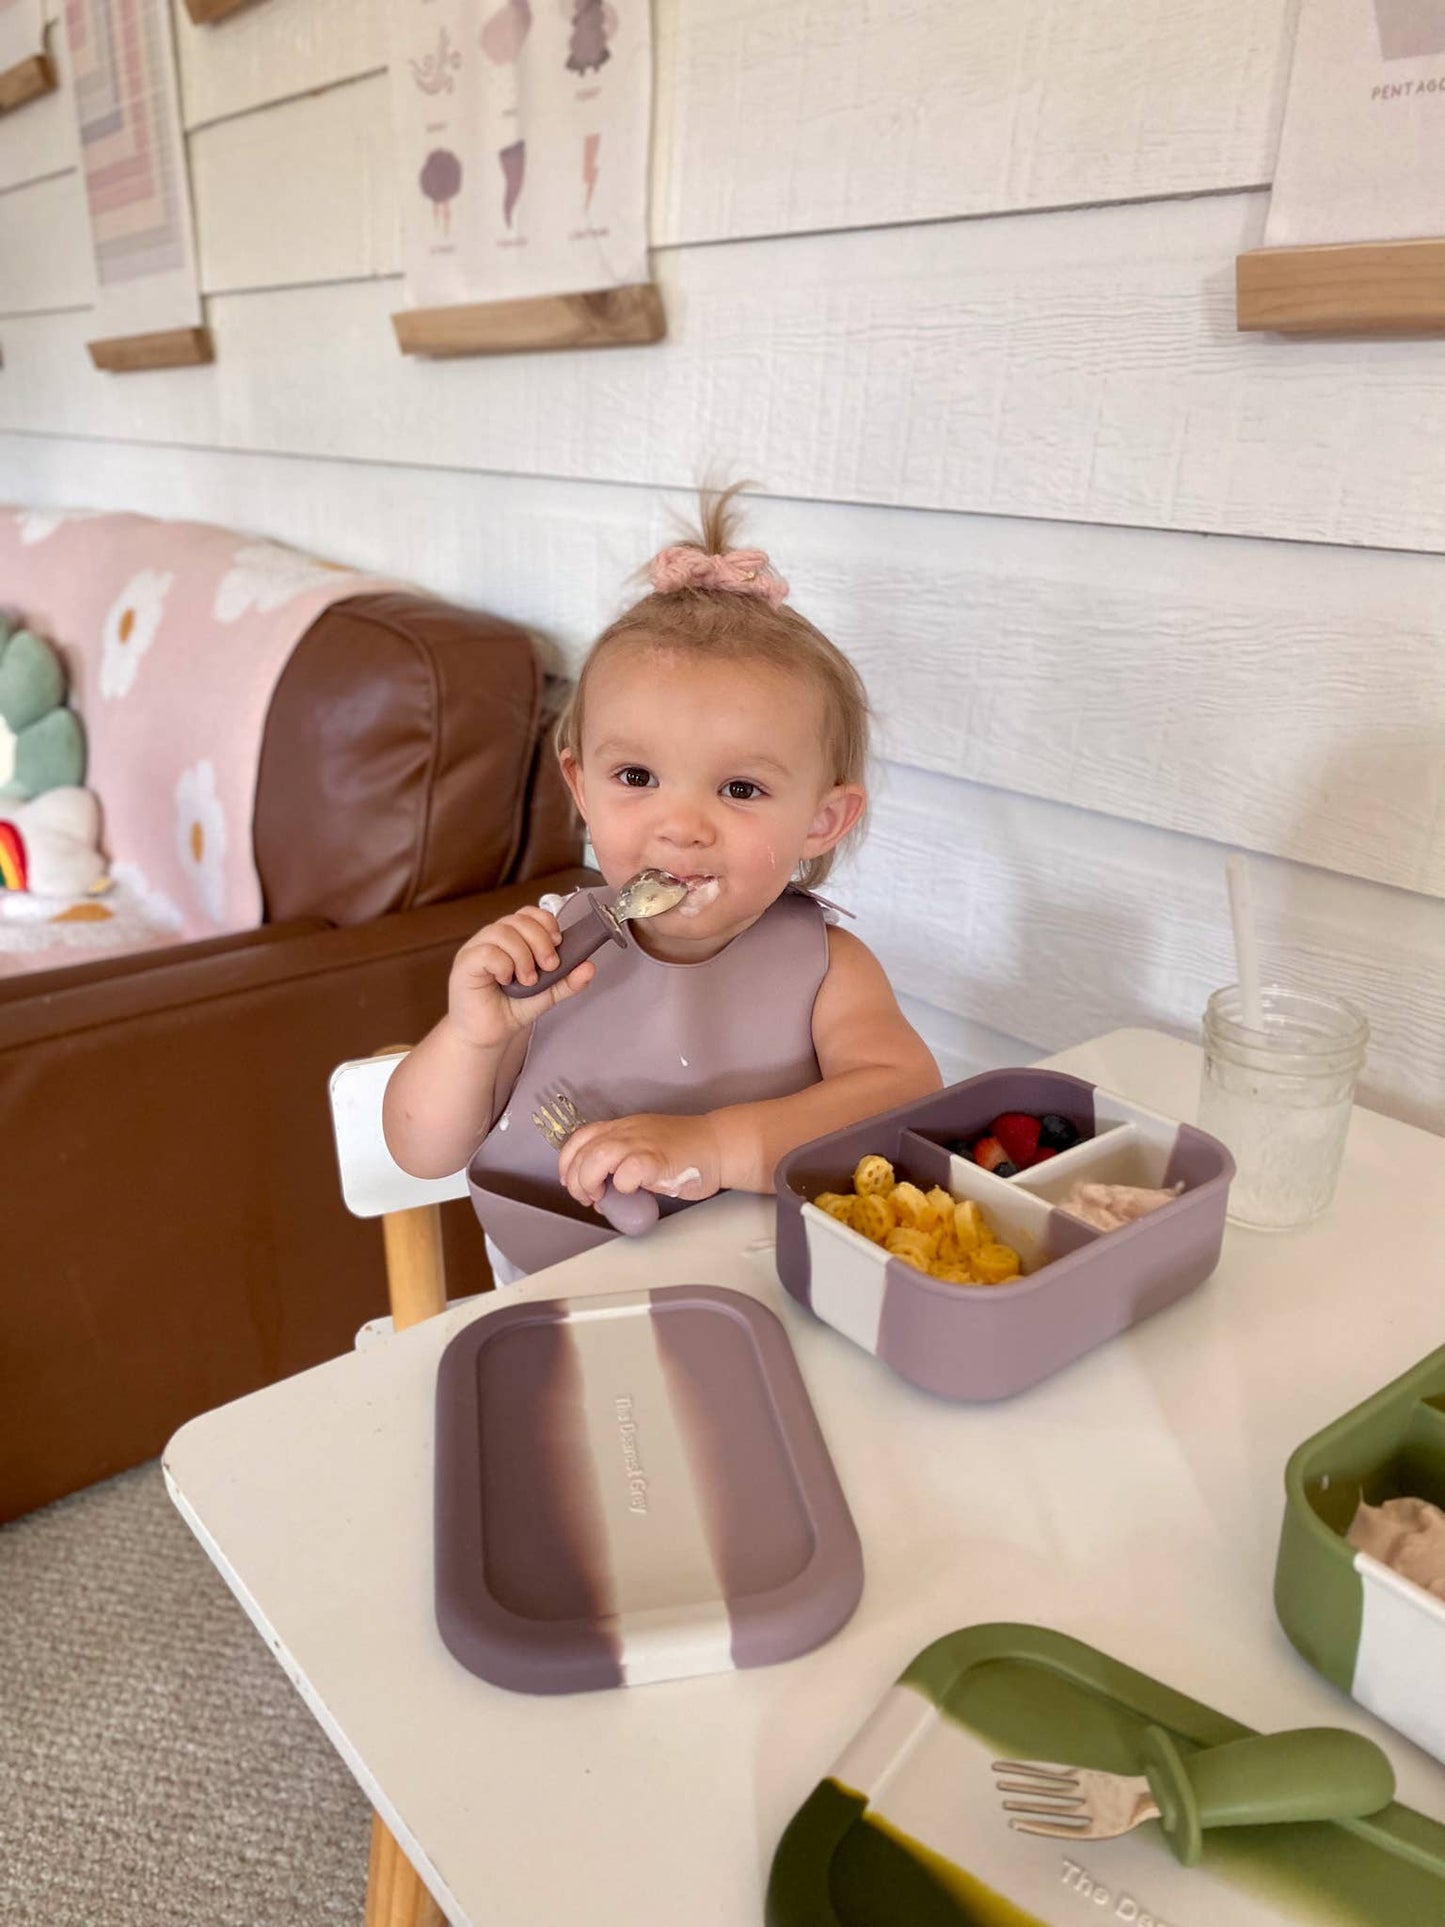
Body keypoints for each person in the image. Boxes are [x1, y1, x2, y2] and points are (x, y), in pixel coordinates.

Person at [383, 487, 940, 1282]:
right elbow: (418, 1151)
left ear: (821, 821)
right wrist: (474, 1036)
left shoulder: (827, 969)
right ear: (580, 786)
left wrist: (716, 1145)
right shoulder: (547, 955)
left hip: (766, 1286)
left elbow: (903, 1098)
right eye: (637, 776)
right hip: (557, 1289)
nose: (680, 827)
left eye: (739, 788)